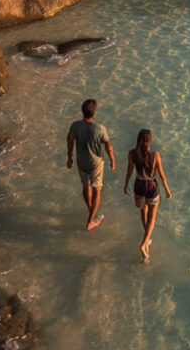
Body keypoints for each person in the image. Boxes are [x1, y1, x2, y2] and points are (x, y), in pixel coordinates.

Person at [123, 128, 171, 263]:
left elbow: (129, 171)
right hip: (151, 187)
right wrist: (167, 189)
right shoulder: (155, 155)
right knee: (152, 217)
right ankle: (144, 243)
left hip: (138, 186)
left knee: (143, 210)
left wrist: (126, 185)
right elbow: (161, 175)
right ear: (150, 141)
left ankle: (147, 239)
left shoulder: (132, 154)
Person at [66, 99, 115, 231]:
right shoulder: (100, 128)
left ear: (82, 112)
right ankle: (90, 222)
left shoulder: (75, 126)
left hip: (81, 162)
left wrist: (69, 157)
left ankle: (91, 212)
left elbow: (70, 139)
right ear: (94, 113)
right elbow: (108, 146)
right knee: (97, 191)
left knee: (85, 187)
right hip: (96, 164)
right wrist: (112, 161)